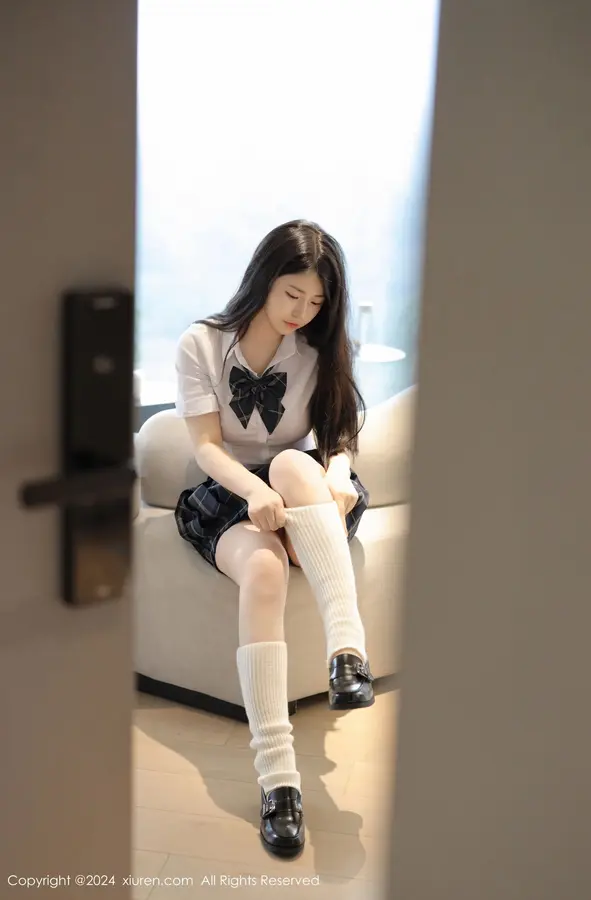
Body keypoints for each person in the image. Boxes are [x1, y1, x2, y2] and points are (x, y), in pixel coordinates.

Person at [173, 219, 375, 858]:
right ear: (263, 278)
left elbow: (338, 434)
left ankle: (348, 654)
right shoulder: (202, 344)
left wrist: (336, 474)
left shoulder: (316, 349)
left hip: (307, 491)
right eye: (292, 294)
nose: (302, 312)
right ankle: (278, 782)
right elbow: (206, 446)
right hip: (229, 492)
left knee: (292, 463)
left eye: (316, 302)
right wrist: (253, 493)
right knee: (262, 570)